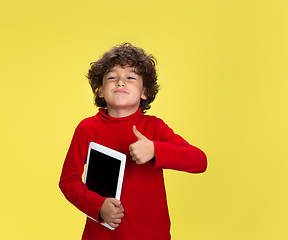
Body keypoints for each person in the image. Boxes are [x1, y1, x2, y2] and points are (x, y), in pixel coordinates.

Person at [59, 43, 207, 240]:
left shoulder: (155, 128)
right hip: (101, 235)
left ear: (144, 92)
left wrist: (155, 150)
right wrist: (98, 206)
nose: (121, 82)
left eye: (130, 77)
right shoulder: (87, 129)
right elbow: (68, 181)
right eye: (112, 77)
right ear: (100, 90)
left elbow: (199, 160)